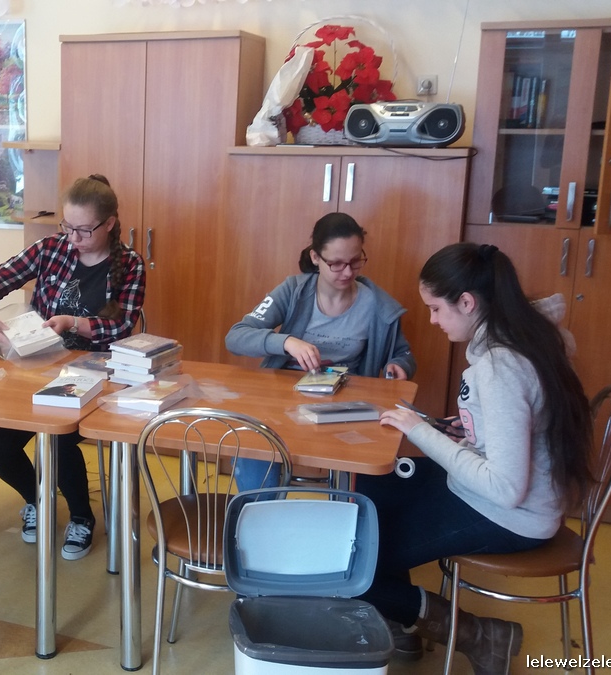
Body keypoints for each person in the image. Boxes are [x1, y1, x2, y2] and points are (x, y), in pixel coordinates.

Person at [356, 242, 592, 674]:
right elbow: (522, 424)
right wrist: (471, 429)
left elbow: (505, 487)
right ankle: (403, 618)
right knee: (370, 485)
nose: (432, 320)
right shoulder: (524, 335)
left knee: (352, 563)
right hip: (499, 490)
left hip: (510, 514)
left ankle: (480, 636)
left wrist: (420, 431)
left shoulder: (502, 367)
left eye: (436, 309)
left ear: (467, 302)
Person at [0, 174, 145, 560]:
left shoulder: (130, 263)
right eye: (68, 227)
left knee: (59, 437)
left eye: (84, 230)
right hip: (37, 365)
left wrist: (72, 322)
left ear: (110, 223)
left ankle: (82, 516)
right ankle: (38, 498)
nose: (73, 238)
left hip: (96, 373)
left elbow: (120, 326)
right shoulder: (51, 248)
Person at [225, 212, 416, 490]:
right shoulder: (293, 290)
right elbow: (236, 336)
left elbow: (403, 354)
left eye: (355, 261)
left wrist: (399, 365)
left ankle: (343, 511)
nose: (347, 272)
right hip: (280, 400)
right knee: (256, 447)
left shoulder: (377, 305)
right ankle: (257, 511)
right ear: (315, 257)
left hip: (343, 407)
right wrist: (286, 342)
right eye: (336, 264)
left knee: (357, 473)